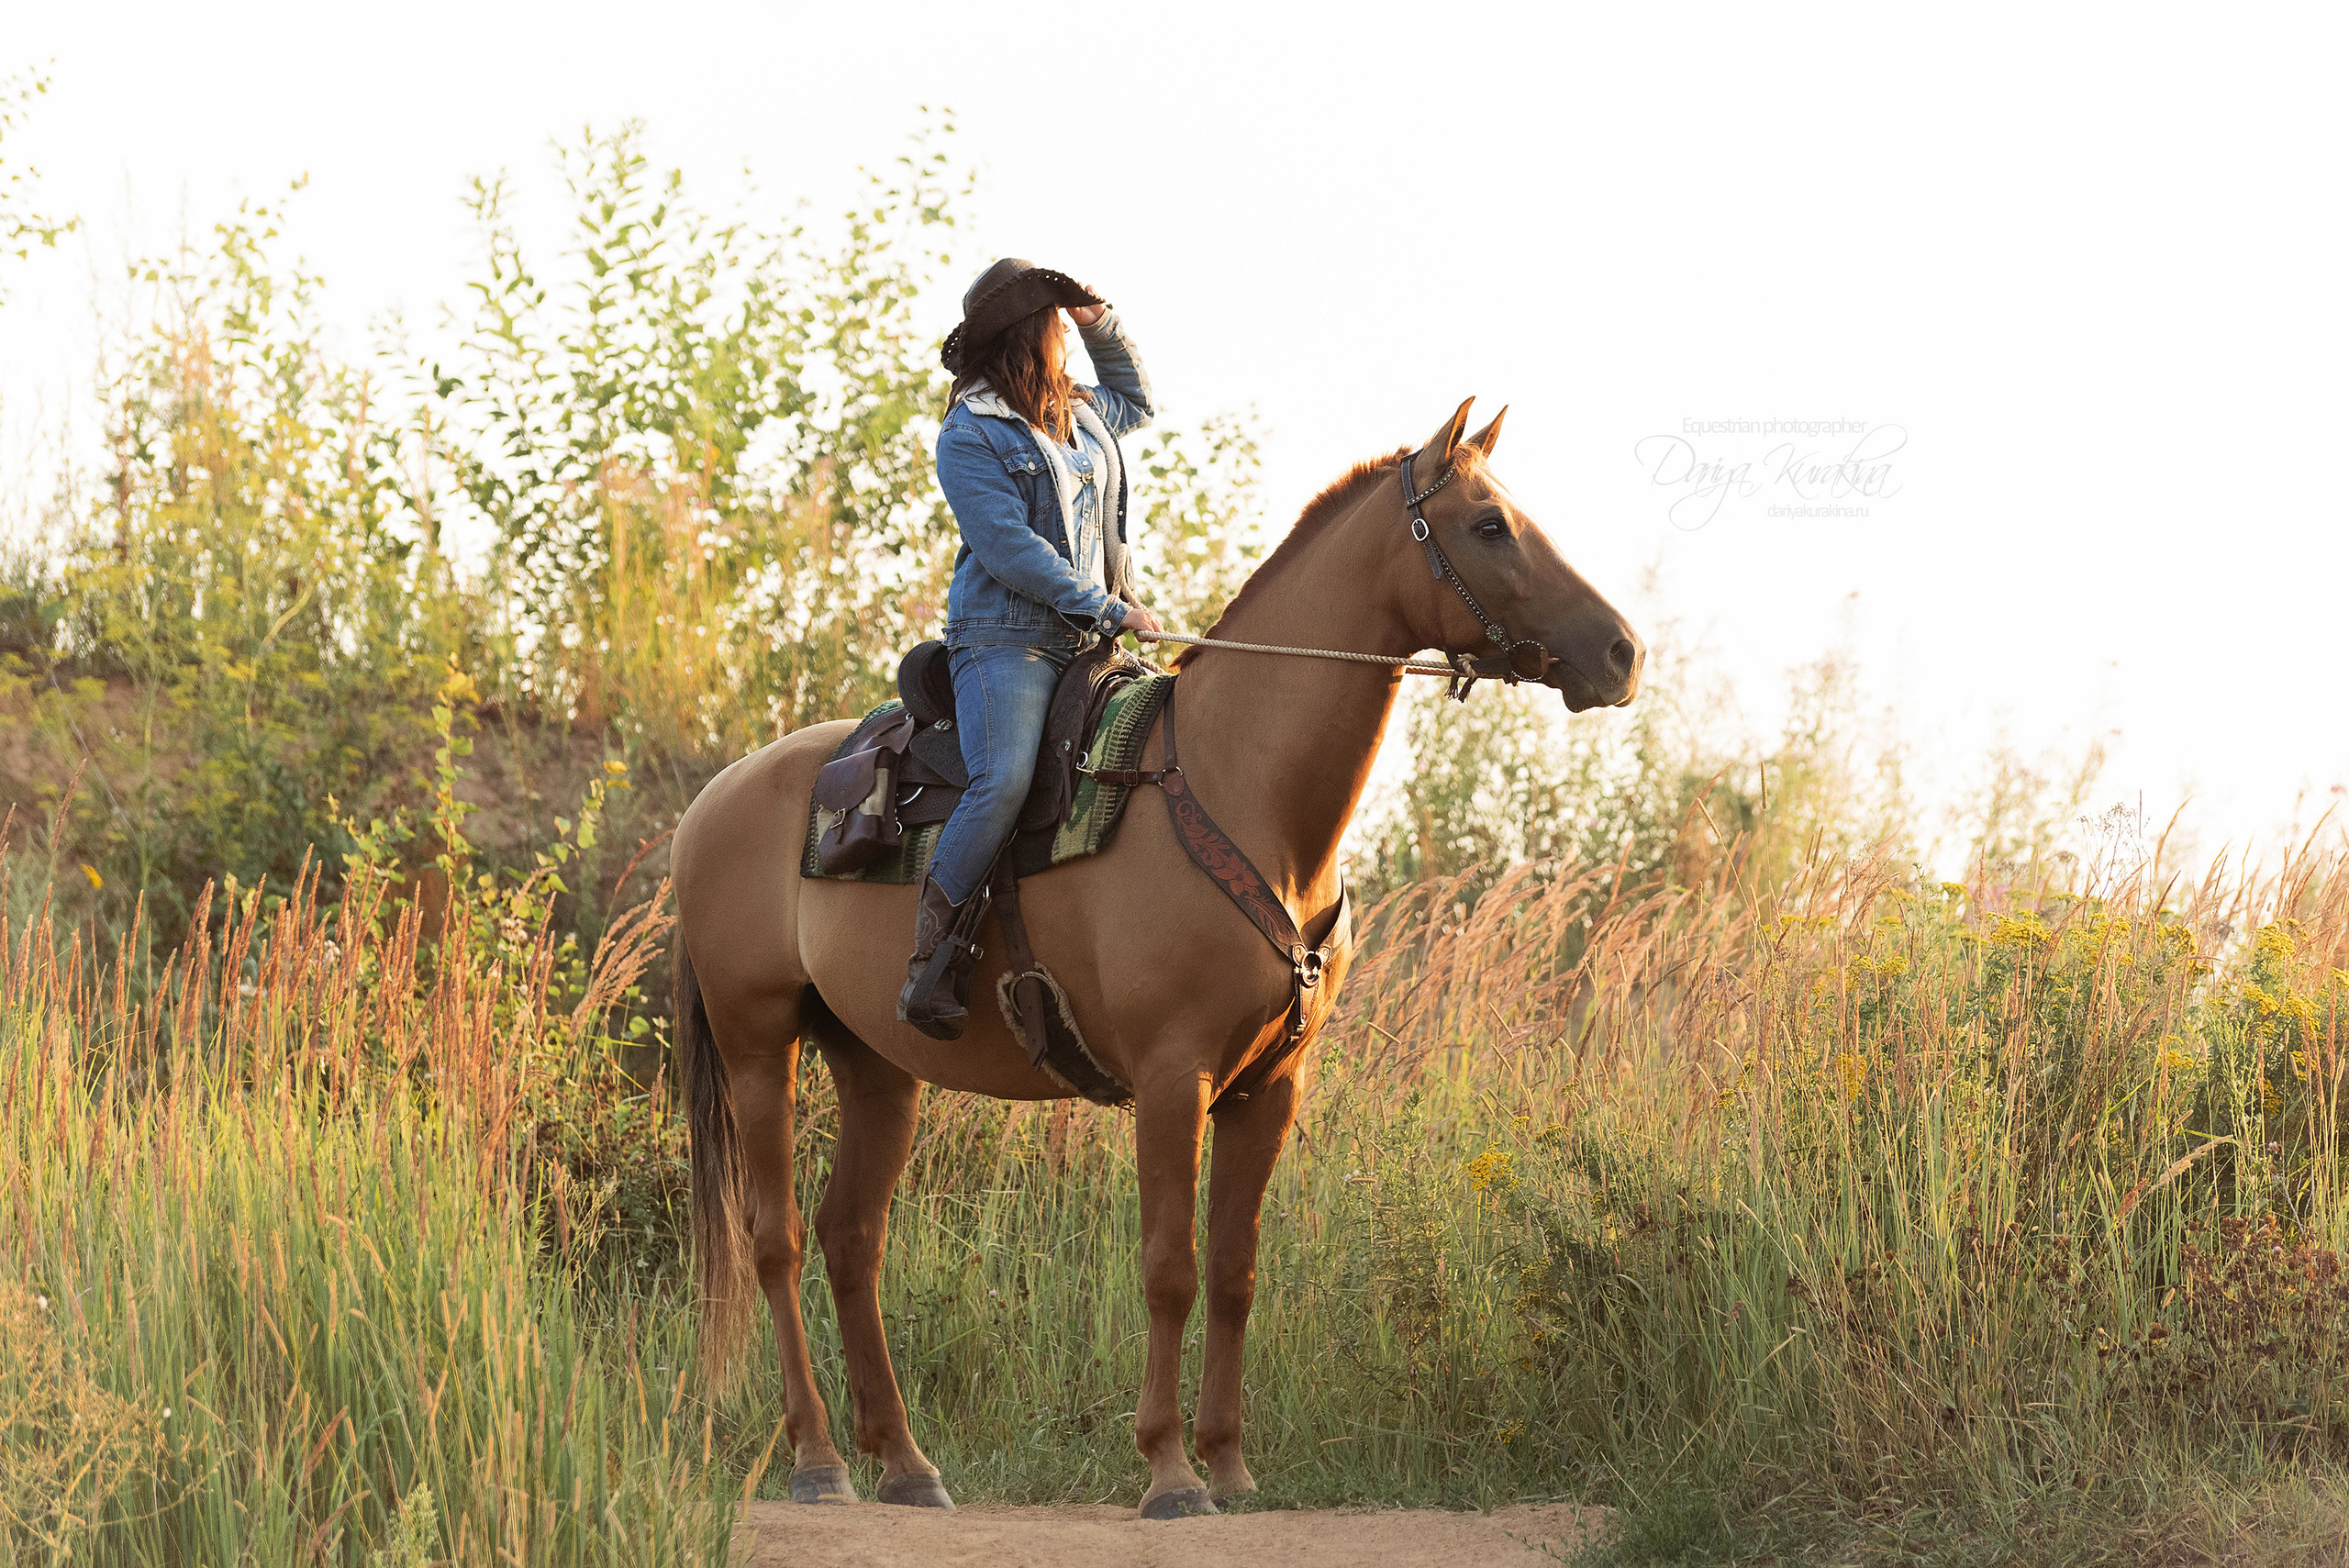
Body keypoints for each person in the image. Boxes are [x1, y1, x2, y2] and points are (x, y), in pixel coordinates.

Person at [898, 259, 1165, 1039]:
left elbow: (1140, 402)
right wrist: (1106, 607)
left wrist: (1098, 318)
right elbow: (1010, 548)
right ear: (1029, 339)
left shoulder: (1082, 413)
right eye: (1055, 324)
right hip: (1006, 645)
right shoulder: (969, 432)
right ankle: (931, 956)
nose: (1065, 338)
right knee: (1005, 779)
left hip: (1092, 637)